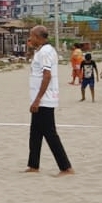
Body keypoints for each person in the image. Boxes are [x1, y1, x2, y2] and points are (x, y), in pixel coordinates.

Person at [25, 25, 74, 176]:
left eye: (32, 36)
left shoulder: (46, 52)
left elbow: (47, 76)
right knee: (35, 133)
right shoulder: (41, 51)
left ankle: (65, 167)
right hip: (40, 99)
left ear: (39, 37)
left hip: (44, 99)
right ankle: (33, 165)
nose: (29, 39)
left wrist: (38, 99)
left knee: (50, 134)